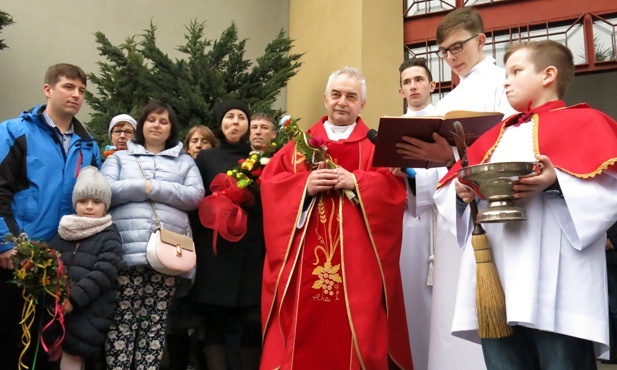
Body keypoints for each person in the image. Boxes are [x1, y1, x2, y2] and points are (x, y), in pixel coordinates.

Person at [436, 40, 617, 369]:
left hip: (561, 286)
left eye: (516, 71)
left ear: (548, 74)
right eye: (505, 73)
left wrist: (558, 182)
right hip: (497, 279)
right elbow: (452, 189)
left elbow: (610, 189)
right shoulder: (495, 136)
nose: (506, 81)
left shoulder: (588, 123)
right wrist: (462, 196)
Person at [260, 67, 413, 369]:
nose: (343, 101)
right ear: (325, 99)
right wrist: (303, 186)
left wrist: (356, 182)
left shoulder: (375, 146)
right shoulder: (297, 148)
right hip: (304, 260)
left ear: (362, 105)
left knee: (360, 327)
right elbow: (270, 186)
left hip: (358, 265)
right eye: (337, 94)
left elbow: (395, 192)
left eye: (351, 96)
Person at [395, 8, 518, 370]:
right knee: (451, 305)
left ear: (481, 40)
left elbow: (508, 143)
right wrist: (416, 170)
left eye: (458, 47)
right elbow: (441, 164)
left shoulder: (501, 83)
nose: (451, 58)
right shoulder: (449, 99)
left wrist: (448, 155)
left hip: (490, 214)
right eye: (444, 52)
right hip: (453, 217)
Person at [0, 63, 100, 370]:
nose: (76, 95)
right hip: (20, 256)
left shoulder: (89, 145)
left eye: (81, 90)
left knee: (46, 346)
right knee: (9, 339)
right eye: (68, 87)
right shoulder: (15, 132)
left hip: (62, 262)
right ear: (48, 90)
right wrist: (6, 244)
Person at [101, 101, 204, 369]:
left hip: (169, 252)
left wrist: (151, 187)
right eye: (151, 119)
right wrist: (149, 186)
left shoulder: (185, 162)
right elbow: (107, 190)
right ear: (142, 125)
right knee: (123, 320)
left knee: (155, 323)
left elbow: (194, 196)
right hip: (126, 251)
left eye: (164, 121)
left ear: (171, 129)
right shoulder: (120, 158)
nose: (157, 125)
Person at [190, 100, 263, 370]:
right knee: (215, 320)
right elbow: (196, 201)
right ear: (220, 124)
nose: (235, 122)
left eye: (241, 117)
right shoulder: (207, 158)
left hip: (253, 247)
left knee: (253, 318)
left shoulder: (261, 157)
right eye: (229, 117)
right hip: (216, 249)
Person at [48, 166, 123, 370]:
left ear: (105, 205)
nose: (89, 207)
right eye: (83, 201)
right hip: (58, 315)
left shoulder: (109, 235)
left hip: (89, 314)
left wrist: (73, 300)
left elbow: (104, 273)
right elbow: (50, 265)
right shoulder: (64, 233)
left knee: (74, 359)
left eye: (96, 202)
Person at [395, 57, 440, 370]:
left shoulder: (447, 122)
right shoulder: (392, 128)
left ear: (432, 85)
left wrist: (416, 177)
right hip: (409, 222)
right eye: (407, 82)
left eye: (419, 80)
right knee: (412, 299)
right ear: (401, 91)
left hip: (446, 221)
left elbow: (454, 169)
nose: (413, 86)